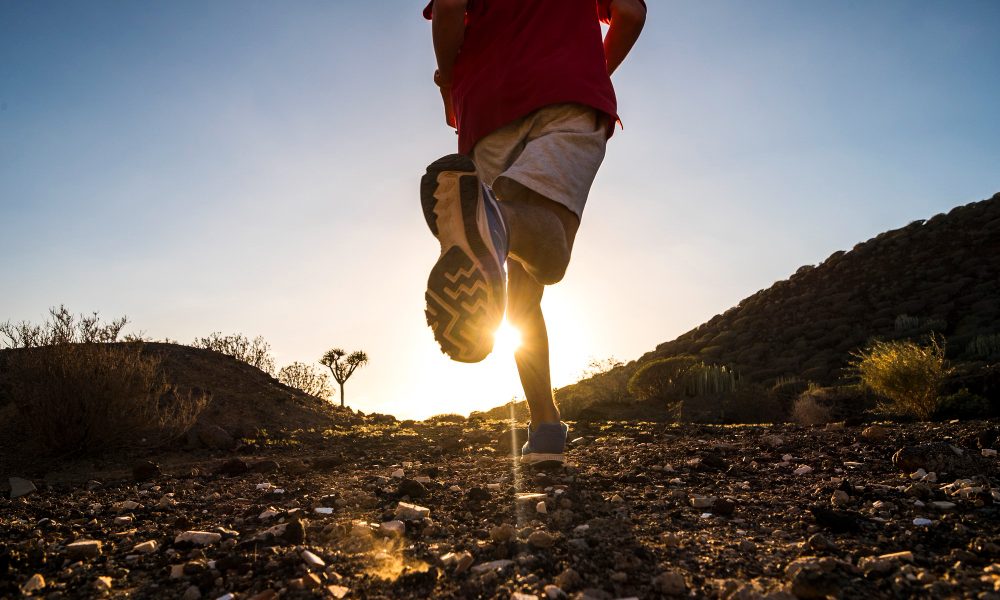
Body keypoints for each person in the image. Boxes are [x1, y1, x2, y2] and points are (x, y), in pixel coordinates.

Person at [420, 0, 646, 466]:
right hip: (567, 93)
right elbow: (631, 13)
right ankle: (494, 220)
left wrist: (448, 85)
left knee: (518, 272)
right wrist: (589, 70)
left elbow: (447, 10)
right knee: (549, 255)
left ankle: (545, 426)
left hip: (484, 109)